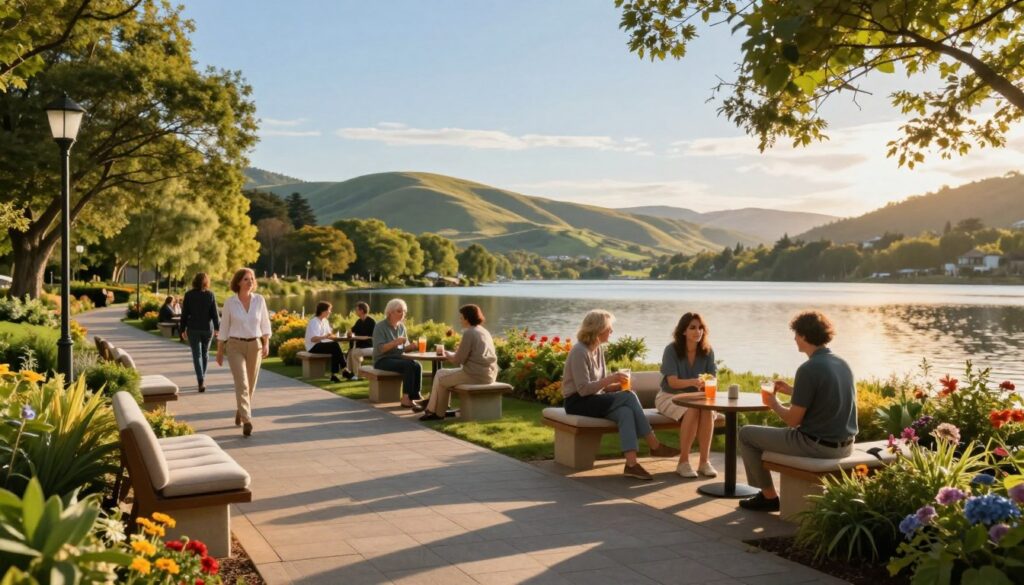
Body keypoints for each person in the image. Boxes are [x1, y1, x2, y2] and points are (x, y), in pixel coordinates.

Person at [738, 311, 858, 511]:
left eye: (796, 334)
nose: (794, 339)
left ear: (803, 335)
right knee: (754, 435)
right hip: (846, 446)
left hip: (817, 446)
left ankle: (768, 497)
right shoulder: (841, 363)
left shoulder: (808, 369)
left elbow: (793, 421)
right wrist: (793, 390)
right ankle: (766, 495)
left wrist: (773, 403)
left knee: (746, 434)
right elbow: (826, 395)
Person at [562, 310, 680, 480]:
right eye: (609, 328)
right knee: (629, 396)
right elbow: (583, 390)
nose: (611, 331)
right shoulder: (579, 351)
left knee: (626, 411)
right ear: (598, 328)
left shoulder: (598, 350)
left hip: (594, 400)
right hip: (577, 402)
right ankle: (654, 444)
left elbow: (599, 386)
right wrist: (611, 379)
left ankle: (631, 464)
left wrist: (616, 386)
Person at [656, 312, 718, 479]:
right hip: (669, 396)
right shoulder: (672, 350)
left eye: (700, 328)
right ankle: (683, 462)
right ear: (683, 331)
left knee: (706, 410)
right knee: (692, 410)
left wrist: (707, 383)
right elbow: (673, 382)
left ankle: (704, 462)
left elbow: (713, 379)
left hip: (696, 398)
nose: (697, 331)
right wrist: (693, 382)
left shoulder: (707, 351)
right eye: (692, 328)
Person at [216, 268, 272, 437]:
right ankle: (247, 420)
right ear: (239, 282)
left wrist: (266, 342)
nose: (250, 282)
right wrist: (219, 351)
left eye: (252, 279)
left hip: (255, 345)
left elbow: (265, 323)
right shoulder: (230, 303)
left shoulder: (259, 300)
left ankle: (241, 410)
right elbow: (224, 327)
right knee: (242, 383)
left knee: (251, 384)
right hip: (234, 345)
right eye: (246, 279)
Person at [418, 304, 498, 421]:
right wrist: (454, 354)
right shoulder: (484, 331)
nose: (460, 320)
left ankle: (435, 412)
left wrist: (447, 354)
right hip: (489, 374)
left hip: (474, 375)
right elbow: (472, 354)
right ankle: (437, 410)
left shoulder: (469, 333)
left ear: (467, 318)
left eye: (461, 317)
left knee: (440, 377)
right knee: (441, 373)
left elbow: (458, 360)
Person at [372, 298, 422, 408]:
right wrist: (395, 342)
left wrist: (412, 346)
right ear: (390, 312)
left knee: (417, 365)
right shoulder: (380, 326)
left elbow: (404, 349)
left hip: (397, 358)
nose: (403, 314)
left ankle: (414, 396)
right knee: (408, 365)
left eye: (404, 311)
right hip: (382, 360)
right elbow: (380, 349)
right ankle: (405, 398)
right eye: (399, 311)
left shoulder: (401, 327)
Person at [180, 272, 220, 392]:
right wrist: (218, 328)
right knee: (205, 354)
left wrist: (182, 329)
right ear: (206, 282)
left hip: (193, 328)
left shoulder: (188, 295)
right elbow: (215, 314)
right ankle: (202, 379)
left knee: (196, 355)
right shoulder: (210, 295)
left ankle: (200, 380)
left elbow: (184, 314)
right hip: (207, 329)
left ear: (194, 281)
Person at [305, 301, 345, 383]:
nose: (330, 312)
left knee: (335, 349)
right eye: (329, 310)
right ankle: (344, 369)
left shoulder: (325, 321)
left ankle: (334, 375)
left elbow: (329, 335)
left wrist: (338, 337)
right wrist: (325, 336)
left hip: (322, 344)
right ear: (323, 311)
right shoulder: (314, 322)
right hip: (313, 346)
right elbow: (313, 339)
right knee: (335, 347)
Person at [342, 301, 375, 380]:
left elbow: (371, 337)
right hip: (360, 347)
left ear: (362, 310)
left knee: (354, 352)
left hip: (369, 346)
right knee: (350, 352)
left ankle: (357, 374)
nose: (355, 312)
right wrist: (349, 333)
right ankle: (351, 374)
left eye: (357, 310)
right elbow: (352, 331)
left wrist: (357, 337)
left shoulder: (371, 322)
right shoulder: (359, 321)